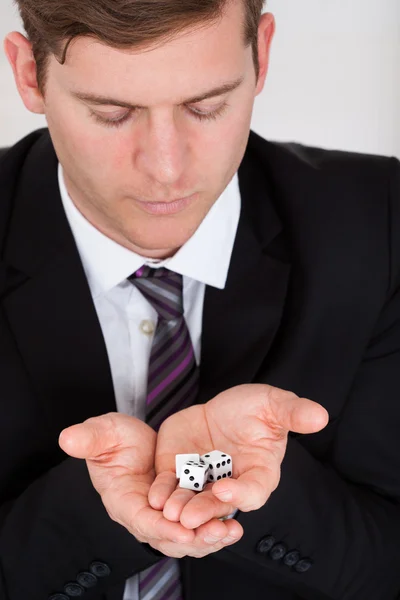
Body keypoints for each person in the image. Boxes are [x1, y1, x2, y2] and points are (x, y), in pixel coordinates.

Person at [1, 0, 400, 598]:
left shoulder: (381, 223)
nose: (165, 169)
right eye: (112, 113)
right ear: (29, 74)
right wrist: (97, 505)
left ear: (262, 55)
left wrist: (253, 489)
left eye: (205, 106)